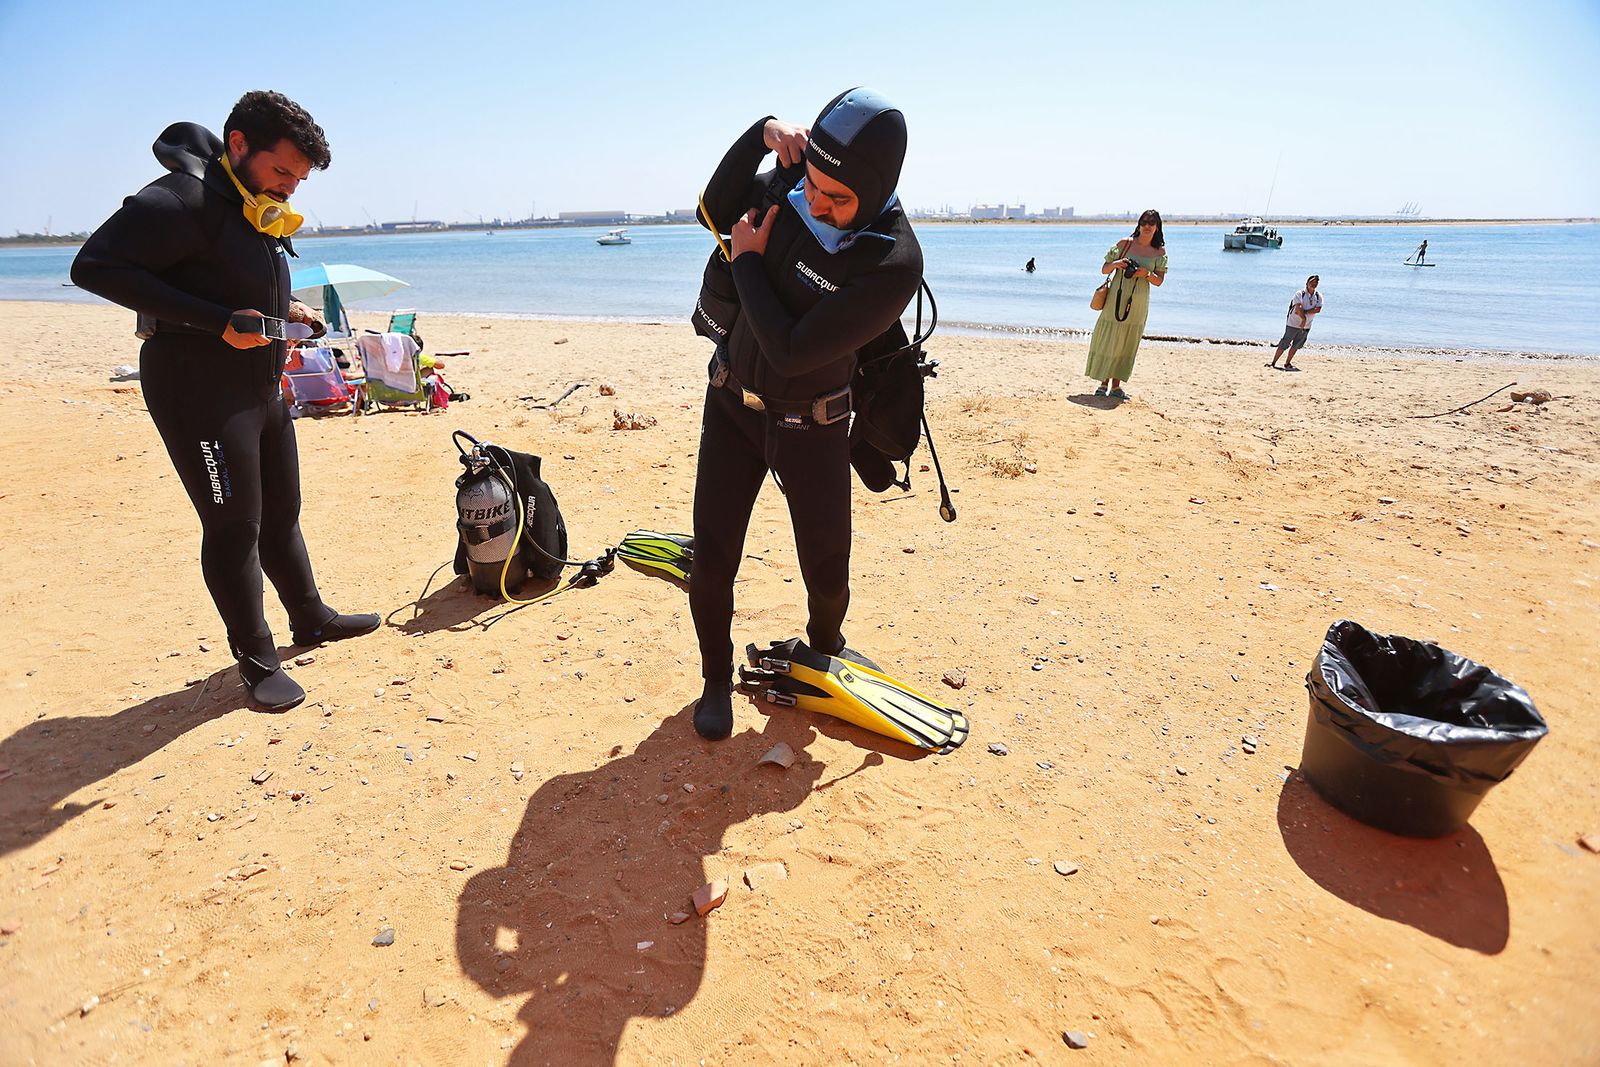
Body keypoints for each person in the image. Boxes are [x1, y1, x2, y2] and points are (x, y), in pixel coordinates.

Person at [71, 91, 378, 711]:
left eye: (299, 177)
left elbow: (226, 277)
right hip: (197, 390)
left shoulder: (250, 204)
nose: (290, 188)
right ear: (238, 144)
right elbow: (94, 266)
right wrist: (216, 322)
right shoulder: (179, 199)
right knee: (235, 524)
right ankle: (257, 659)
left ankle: (311, 617)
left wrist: (282, 315)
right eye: (282, 171)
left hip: (259, 383)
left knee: (282, 510)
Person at [689, 88, 922, 741]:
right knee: (712, 558)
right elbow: (711, 210)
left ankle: (825, 649)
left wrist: (751, 260)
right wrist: (761, 133)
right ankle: (714, 677)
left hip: (814, 423)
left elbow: (790, 354)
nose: (816, 203)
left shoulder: (891, 261)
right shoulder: (794, 180)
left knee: (827, 568)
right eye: (812, 185)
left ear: (875, 194)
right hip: (732, 407)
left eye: (837, 198)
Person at [1086, 209, 1168, 400]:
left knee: (1127, 342)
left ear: (1157, 227)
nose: (1147, 226)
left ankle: (1116, 386)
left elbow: (1159, 281)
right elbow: (1104, 269)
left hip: (1138, 302)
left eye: (1151, 223)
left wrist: (1145, 274)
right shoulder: (1124, 244)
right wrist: (1117, 264)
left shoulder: (1160, 252)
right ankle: (1102, 383)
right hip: (1115, 298)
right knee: (1109, 338)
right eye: (1144, 222)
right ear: (1138, 225)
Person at [1268, 274, 1323, 370]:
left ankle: (1287, 363)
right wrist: (1303, 318)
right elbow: (1298, 308)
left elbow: (1318, 309)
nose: (1314, 284)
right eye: (1312, 282)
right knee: (1284, 343)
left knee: (1296, 345)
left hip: (1306, 326)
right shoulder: (1300, 293)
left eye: (1316, 282)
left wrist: (1305, 314)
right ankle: (1273, 362)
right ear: (1307, 283)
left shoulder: (1318, 296)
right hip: (1293, 323)